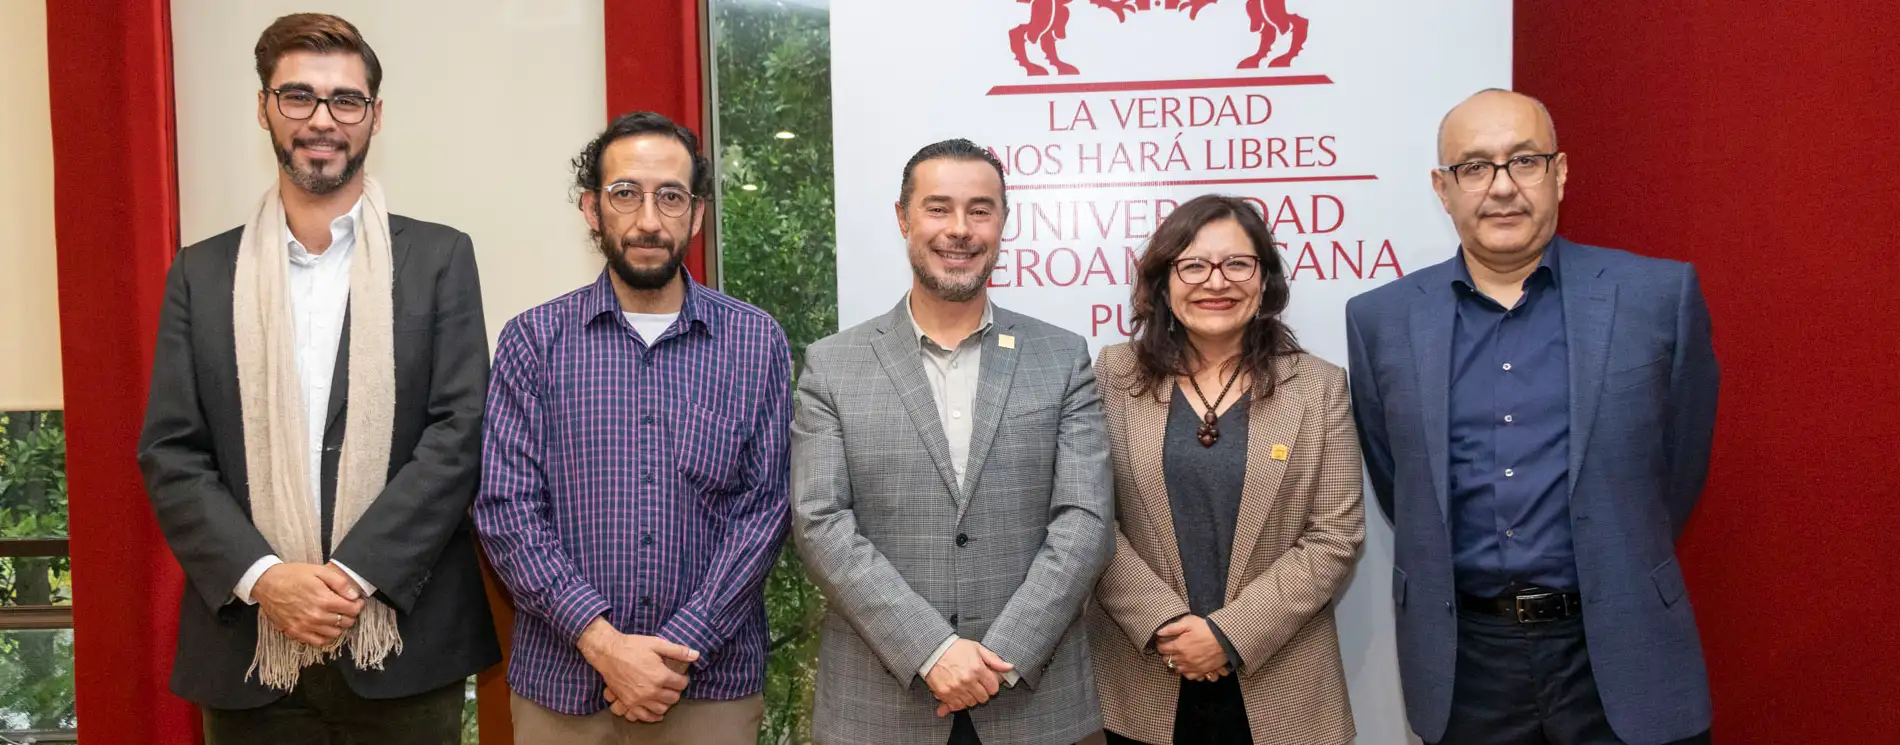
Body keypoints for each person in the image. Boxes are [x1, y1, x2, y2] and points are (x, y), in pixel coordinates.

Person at [137, 13, 498, 743]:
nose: (322, 120)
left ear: (374, 116)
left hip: (405, 641)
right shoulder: (201, 274)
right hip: (247, 647)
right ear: (264, 107)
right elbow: (172, 452)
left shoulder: (438, 259)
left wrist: (353, 576)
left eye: (345, 100)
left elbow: (459, 433)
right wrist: (266, 577)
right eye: (298, 96)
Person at [1345, 88, 1719, 745]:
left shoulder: (1659, 298)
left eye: (1524, 161)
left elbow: (1677, 468)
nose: (1501, 187)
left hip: (1622, 648)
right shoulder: (1380, 319)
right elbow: (1397, 482)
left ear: (1560, 171)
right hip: (1467, 666)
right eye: (1474, 167)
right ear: (1443, 186)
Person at [473, 110, 792, 745]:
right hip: (563, 689)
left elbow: (767, 511)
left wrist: (677, 649)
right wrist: (604, 643)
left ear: (696, 215)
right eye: (626, 194)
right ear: (592, 209)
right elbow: (506, 510)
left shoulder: (756, 342)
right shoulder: (534, 342)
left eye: (670, 196)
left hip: (709, 689)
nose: (649, 220)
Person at [790, 138, 1114, 745]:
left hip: (1033, 706)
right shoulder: (833, 366)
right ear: (903, 218)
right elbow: (820, 522)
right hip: (879, 709)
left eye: (980, 209)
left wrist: (1002, 656)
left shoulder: (1061, 357)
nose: (959, 230)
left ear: (1002, 222)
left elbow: (1085, 520)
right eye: (938, 208)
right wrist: (932, 649)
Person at [1089, 195, 1363, 745]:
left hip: (1285, 682)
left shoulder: (1318, 386)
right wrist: (1168, 627)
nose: (1216, 281)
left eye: (1237, 263)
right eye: (1193, 265)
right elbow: (1091, 519)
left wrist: (1228, 634)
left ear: (1265, 280)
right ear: (1164, 281)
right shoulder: (1114, 375)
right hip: (1143, 680)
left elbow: (1335, 536)